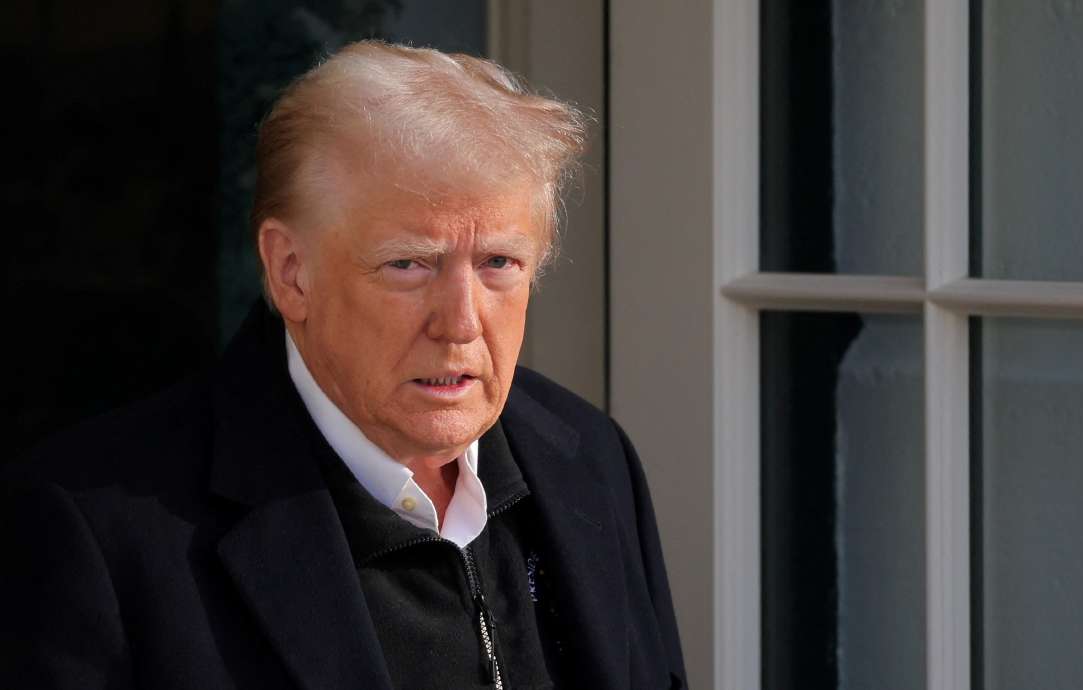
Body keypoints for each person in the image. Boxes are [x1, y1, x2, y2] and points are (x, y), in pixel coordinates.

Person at [2, 40, 686, 690]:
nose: (461, 321)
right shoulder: (97, 532)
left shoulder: (591, 460)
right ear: (290, 273)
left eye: (498, 263)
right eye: (409, 264)